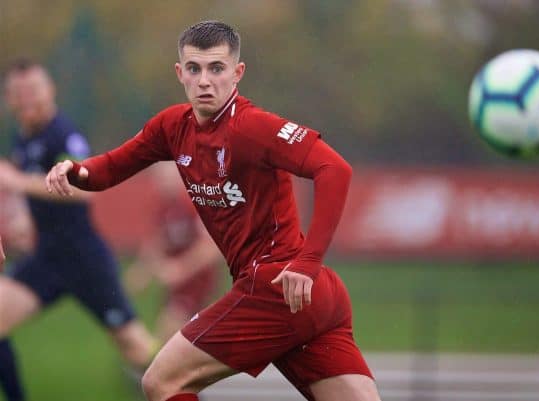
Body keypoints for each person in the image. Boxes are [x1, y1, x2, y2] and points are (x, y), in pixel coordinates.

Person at [46, 20, 382, 401]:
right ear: (180, 73)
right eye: (194, 69)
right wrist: (76, 170)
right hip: (305, 300)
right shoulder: (173, 126)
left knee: (162, 381)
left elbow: (335, 169)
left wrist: (307, 262)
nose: (205, 80)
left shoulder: (252, 127)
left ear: (237, 73)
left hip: (276, 285)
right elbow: (110, 167)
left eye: (216, 68)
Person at [0, 59, 157, 401]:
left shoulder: (64, 134)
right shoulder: (22, 137)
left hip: (84, 259)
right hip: (46, 258)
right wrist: (26, 219)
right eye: (19, 94)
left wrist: (17, 182)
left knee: (135, 347)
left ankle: (188, 388)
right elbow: (39, 190)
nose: (27, 100)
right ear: (9, 99)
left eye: (33, 92)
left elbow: (83, 191)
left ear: (50, 91)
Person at [125, 162, 223, 341]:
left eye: (167, 178)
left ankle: (146, 367)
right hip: (177, 286)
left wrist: (181, 269)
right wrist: (142, 271)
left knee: (169, 332)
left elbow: (212, 247)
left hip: (197, 282)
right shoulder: (164, 207)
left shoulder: (194, 204)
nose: (162, 183)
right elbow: (158, 242)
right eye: (158, 178)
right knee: (185, 338)